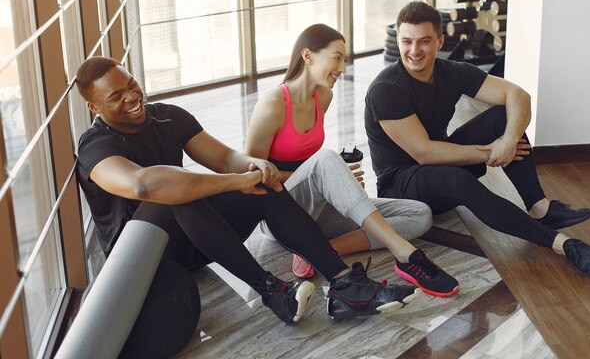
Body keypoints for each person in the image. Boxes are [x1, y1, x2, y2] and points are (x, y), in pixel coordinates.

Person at [74, 56, 421, 325]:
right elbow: (142, 185)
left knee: (260, 183)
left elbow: (225, 158)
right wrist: (233, 182)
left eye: (132, 84)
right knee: (179, 195)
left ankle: (345, 286)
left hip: (198, 242)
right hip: (145, 259)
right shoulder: (96, 148)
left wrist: (252, 167)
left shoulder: (167, 116)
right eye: (116, 96)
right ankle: (273, 291)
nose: (132, 96)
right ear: (95, 107)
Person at [364, 1, 590, 276]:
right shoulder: (386, 89)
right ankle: (564, 245)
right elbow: (425, 153)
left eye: (424, 41)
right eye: (406, 41)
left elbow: (518, 95)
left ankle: (539, 207)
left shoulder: (451, 72)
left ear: (440, 41)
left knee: (503, 117)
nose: (414, 50)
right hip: (402, 185)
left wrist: (509, 140)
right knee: (458, 179)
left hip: (440, 165)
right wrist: (490, 153)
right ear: (397, 41)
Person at [245, 23, 459, 297]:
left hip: (315, 211)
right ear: (308, 56)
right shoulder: (273, 103)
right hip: (278, 214)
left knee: (419, 214)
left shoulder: (323, 96)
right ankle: (405, 253)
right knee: (326, 160)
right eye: (337, 58)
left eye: (344, 60)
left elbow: (310, 162)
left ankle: (322, 250)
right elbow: (252, 173)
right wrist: (320, 175)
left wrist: (335, 178)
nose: (343, 69)